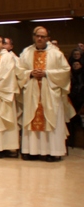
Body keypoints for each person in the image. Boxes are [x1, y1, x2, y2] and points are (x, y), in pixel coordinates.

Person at [18, 27, 71, 162]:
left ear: (48, 38)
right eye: (37, 36)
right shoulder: (26, 52)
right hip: (32, 91)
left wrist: (47, 73)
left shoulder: (56, 53)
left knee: (51, 119)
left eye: (43, 36)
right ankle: (32, 151)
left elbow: (65, 71)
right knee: (32, 118)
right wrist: (30, 73)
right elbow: (19, 71)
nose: (39, 38)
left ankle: (52, 152)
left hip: (50, 92)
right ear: (33, 37)